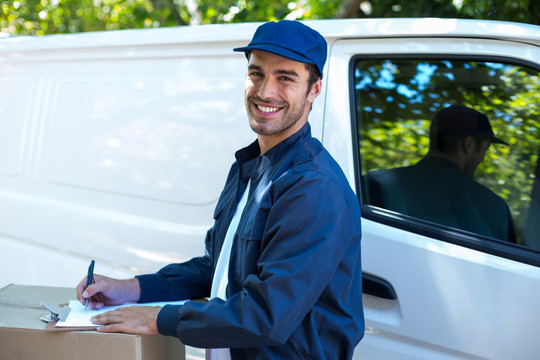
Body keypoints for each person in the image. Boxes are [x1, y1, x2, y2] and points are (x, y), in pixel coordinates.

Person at [77, 20, 364, 359]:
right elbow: (220, 268)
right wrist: (132, 289)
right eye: (256, 74)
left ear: (314, 89)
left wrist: (158, 318)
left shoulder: (312, 187)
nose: (265, 91)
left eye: (285, 78)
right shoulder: (251, 167)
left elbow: (266, 316)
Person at [365, 104, 516, 243]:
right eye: (486, 148)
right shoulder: (496, 207)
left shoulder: (374, 183)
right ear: (468, 143)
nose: (482, 158)